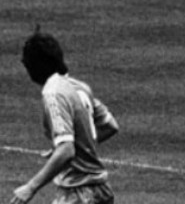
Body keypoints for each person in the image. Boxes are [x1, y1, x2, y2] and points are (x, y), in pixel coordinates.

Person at [10, 28, 119, 204]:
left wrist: (30, 188)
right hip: (102, 189)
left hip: (78, 192)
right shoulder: (79, 86)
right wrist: (78, 145)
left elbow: (66, 150)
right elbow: (111, 126)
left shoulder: (53, 92)